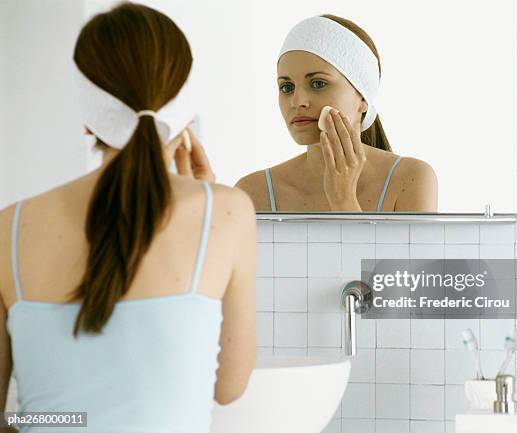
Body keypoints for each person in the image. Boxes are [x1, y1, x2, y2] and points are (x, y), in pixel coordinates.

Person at [0, 3, 256, 432]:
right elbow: (228, 388)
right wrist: (208, 198)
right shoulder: (227, 212)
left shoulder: (10, 227)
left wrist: (51, 419)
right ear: (182, 108)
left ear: (88, 118)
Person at [237, 14, 438, 212]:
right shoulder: (252, 193)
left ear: (362, 98)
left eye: (318, 83)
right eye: (287, 87)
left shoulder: (410, 180)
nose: (297, 102)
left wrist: (343, 199)